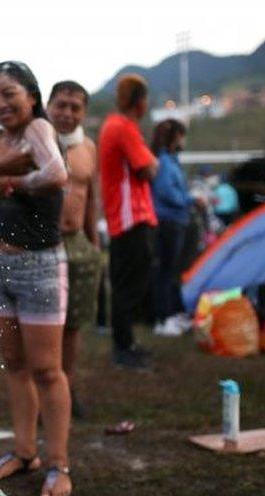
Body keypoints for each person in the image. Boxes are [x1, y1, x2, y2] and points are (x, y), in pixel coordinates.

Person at [0, 61, 72, 496]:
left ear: (31, 95)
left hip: (39, 265)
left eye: (9, 94)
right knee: (16, 366)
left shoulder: (39, 129)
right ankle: (26, 452)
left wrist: (11, 179)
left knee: (46, 369)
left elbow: (55, 173)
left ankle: (58, 462)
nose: (0, 104)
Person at [45, 80, 102, 420]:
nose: (67, 113)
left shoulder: (88, 149)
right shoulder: (35, 143)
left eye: (75, 107)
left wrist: (94, 245)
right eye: (61, 105)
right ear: (49, 107)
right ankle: (46, 389)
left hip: (78, 243)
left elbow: (90, 199)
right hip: (43, 243)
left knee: (73, 324)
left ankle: (67, 387)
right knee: (45, 323)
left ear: (84, 112)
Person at [98, 74, 159, 370]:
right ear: (140, 101)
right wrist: (153, 161)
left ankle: (127, 344)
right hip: (130, 218)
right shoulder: (123, 128)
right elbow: (148, 169)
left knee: (127, 283)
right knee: (128, 285)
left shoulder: (115, 125)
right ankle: (123, 349)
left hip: (123, 218)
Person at [148, 119, 193, 337]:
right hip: (169, 221)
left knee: (172, 269)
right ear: (175, 138)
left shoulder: (172, 161)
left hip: (175, 220)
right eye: (182, 135)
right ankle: (162, 318)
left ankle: (173, 313)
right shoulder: (165, 162)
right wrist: (189, 199)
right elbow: (167, 191)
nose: (184, 140)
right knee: (165, 270)